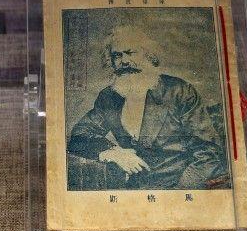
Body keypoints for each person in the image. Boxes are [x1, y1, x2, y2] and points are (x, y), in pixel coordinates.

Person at [66, 25, 229, 191]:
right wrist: (113, 153)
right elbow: (79, 136)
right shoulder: (109, 97)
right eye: (117, 55)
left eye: (130, 52)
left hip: (178, 187)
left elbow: (209, 154)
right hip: (134, 189)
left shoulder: (178, 91)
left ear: (148, 55)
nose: (124, 61)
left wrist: (177, 194)